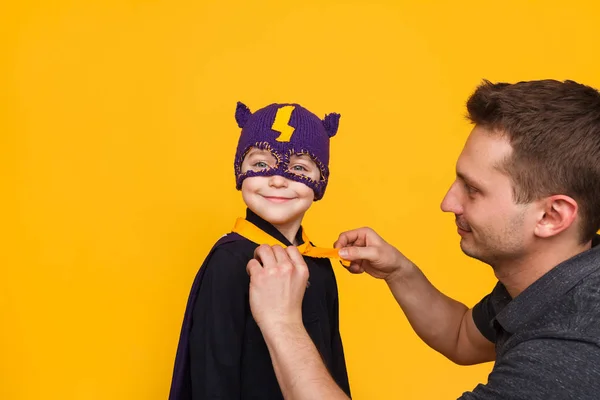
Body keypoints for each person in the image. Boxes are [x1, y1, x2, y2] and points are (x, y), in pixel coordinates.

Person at [246, 79, 600, 399]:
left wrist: (282, 324)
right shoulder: (561, 275)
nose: (448, 203)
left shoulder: (572, 350)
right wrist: (399, 271)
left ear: (552, 216)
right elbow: (463, 339)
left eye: (473, 190)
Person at [168, 101, 352, 399]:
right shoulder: (229, 262)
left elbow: (332, 366)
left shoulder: (319, 264)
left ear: (321, 182)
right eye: (260, 164)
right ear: (240, 171)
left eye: (299, 168)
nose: (278, 179)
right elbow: (212, 374)